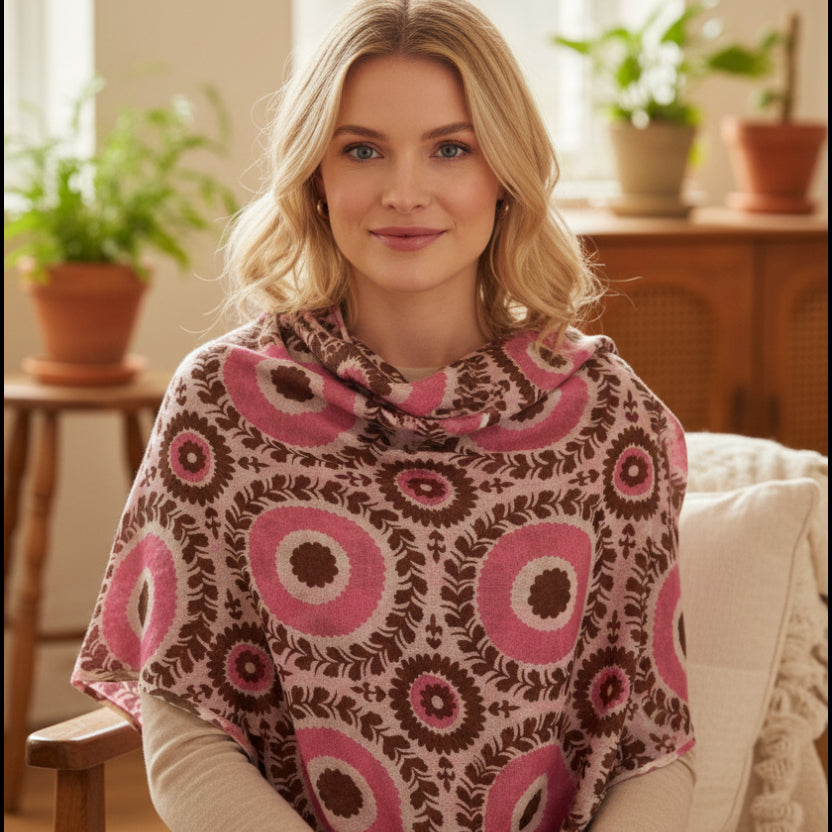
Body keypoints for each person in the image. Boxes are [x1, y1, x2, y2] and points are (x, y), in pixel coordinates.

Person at [72, 1, 696, 830]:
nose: (405, 193)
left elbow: (653, 748)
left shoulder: (610, 421)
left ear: (503, 173)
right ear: (315, 177)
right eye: (362, 149)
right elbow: (187, 725)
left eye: (451, 148)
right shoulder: (222, 403)